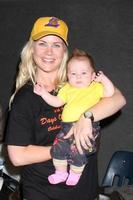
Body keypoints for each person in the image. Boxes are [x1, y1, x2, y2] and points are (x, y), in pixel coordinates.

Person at [4, 16, 126, 200]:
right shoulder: (26, 97)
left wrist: (87, 117)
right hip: (44, 194)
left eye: (56, 45)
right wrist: (65, 146)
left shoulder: (79, 80)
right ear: (31, 48)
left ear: (64, 52)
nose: (49, 52)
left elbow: (118, 99)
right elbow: (18, 156)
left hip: (86, 192)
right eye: (42, 43)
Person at [34, 48, 115, 186]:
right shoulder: (66, 88)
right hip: (66, 126)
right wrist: (43, 93)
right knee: (58, 148)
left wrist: (104, 79)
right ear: (67, 76)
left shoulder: (95, 87)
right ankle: (61, 173)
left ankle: (75, 174)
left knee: (78, 150)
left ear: (92, 75)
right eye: (73, 73)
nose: (78, 77)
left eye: (83, 73)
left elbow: (110, 92)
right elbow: (56, 102)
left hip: (88, 127)